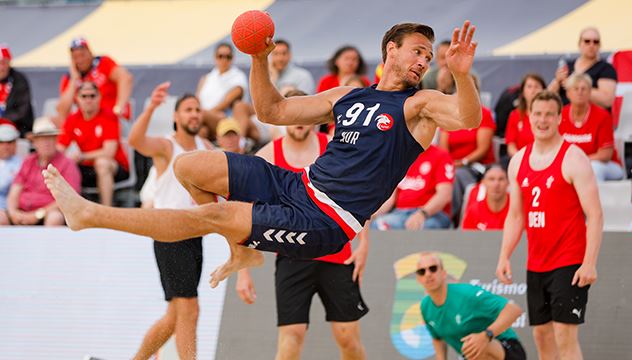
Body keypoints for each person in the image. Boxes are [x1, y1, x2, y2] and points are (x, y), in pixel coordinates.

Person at [42, 21, 482, 289]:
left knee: (212, 216)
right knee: (188, 166)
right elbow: (271, 110)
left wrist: (461, 76)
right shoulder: (350, 94)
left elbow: (468, 117)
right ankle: (241, 251)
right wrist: (257, 58)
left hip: (326, 222)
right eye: (417, 51)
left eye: (429, 54)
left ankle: (90, 215)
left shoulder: (419, 105)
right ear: (392, 51)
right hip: (297, 185)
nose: (424, 60)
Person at [236, 89, 368, 360]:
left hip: (337, 253)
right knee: (291, 337)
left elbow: (357, 195)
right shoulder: (267, 156)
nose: (298, 121)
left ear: (314, 115)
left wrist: (364, 243)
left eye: (303, 113)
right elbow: (241, 213)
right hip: (292, 254)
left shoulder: (333, 146)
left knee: (348, 339)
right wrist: (242, 269)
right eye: (292, 113)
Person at [496, 91, 603, 360]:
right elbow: (516, 216)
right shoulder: (519, 161)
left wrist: (589, 262)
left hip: (569, 261)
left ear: (559, 118)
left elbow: (595, 215)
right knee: (541, 337)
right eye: (538, 114)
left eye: (548, 115)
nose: (542, 120)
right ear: (529, 117)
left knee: (565, 337)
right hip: (537, 263)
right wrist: (504, 255)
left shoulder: (574, 158)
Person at [127, 82, 213, 360]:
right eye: (188, 110)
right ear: (176, 116)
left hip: (194, 235)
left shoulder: (206, 146)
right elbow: (135, 141)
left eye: (198, 110)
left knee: (175, 315)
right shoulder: (167, 146)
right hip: (168, 233)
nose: (194, 115)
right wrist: (151, 106)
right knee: (189, 308)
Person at [418, 251, 526, 360]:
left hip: (508, 350)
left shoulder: (466, 295)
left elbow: (514, 310)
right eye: (422, 271)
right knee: (470, 349)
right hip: (470, 356)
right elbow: (437, 338)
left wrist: (486, 336)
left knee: (473, 345)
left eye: (433, 268)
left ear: (443, 273)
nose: (428, 274)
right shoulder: (425, 307)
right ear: (418, 279)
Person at [57, 81, 130, 206]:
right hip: (85, 167)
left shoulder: (109, 117)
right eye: (84, 96)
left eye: (92, 96)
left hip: (115, 167)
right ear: (77, 99)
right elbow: (60, 148)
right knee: (61, 164)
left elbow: (109, 152)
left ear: (99, 97)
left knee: (102, 163)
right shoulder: (73, 119)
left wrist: (82, 156)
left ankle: (106, 211)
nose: (88, 100)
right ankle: (63, 209)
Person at [439, 75, 495, 225]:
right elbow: (443, 148)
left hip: (474, 166)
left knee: (455, 176)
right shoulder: (450, 117)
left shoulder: (484, 114)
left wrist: (462, 162)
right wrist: (450, 163)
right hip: (452, 165)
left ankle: (447, 219)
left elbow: (482, 149)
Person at [7, 117, 80, 226]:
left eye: (50, 138)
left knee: (55, 218)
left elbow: (70, 198)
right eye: (42, 139)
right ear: (35, 142)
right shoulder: (27, 161)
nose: (47, 142)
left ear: (56, 140)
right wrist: (13, 212)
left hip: (49, 214)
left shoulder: (67, 164)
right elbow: (15, 191)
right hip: (23, 211)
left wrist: (38, 214)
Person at [372, 145, 455, 230]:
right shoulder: (401, 155)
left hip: (432, 214)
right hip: (400, 213)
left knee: (425, 227)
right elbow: (390, 198)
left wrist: (422, 214)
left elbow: (444, 195)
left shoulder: (441, 155)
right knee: (376, 225)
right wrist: (372, 214)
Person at [560, 73, 624, 181]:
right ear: (568, 93)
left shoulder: (602, 115)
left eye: (584, 89)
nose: (580, 92)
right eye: (575, 89)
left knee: (593, 168)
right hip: (570, 164)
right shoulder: (560, 115)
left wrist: (579, 162)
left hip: (606, 165)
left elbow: (605, 155)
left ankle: (593, 198)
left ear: (590, 92)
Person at [57, 37, 133, 122]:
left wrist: (119, 108)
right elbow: (62, 113)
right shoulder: (69, 78)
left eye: (82, 55)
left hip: (112, 119)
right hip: (88, 122)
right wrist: (74, 79)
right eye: (75, 57)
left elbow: (125, 78)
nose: (80, 60)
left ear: (90, 52)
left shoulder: (103, 63)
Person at [548, 27, 617, 109]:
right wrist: (557, 81)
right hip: (565, 116)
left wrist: (573, 86)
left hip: (592, 118)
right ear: (579, 44)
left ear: (599, 45)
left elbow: (607, 100)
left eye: (595, 42)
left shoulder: (606, 69)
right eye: (587, 41)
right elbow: (548, 96)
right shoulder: (568, 66)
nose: (591, 45)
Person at [196, 43, 248, 140]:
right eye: (220, 56)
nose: (224, 60)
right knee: (202, 131)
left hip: (224, 119)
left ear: (232, 58)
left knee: (194, 117)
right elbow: (197, 99)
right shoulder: (207, 78)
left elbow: (226, 102)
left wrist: (204, 114)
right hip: (204, 118)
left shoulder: (238, 76)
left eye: (228, 57)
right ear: (215, 57)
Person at [504, 74, 546, 160]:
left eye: (537, 86)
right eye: (529, 87)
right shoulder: (515, 115)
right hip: (520, 159)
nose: (533, 90)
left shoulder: (550, 115)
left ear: (544, 91)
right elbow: (511, 145)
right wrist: (522, 159)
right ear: (523, 92)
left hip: (545, 159)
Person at [461, 164, 510, 231]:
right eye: (491, 179)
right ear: (483, 182)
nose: (496, 184)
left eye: (501, 179)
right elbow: (465, 238)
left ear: (508, 182)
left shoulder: (518, 209)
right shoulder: (473, 210)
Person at [0, 44, 34, 137]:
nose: (1, 68)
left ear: (9, 62)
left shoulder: (19, 80)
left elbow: (22, 111)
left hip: (18, 127)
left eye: (4, 63)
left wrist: (3, 120)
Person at [0, 120, 22, 225]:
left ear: (15, 144)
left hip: (7, 210)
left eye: (9, 142)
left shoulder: (21, 164)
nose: (6, 146)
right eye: (1, 142)